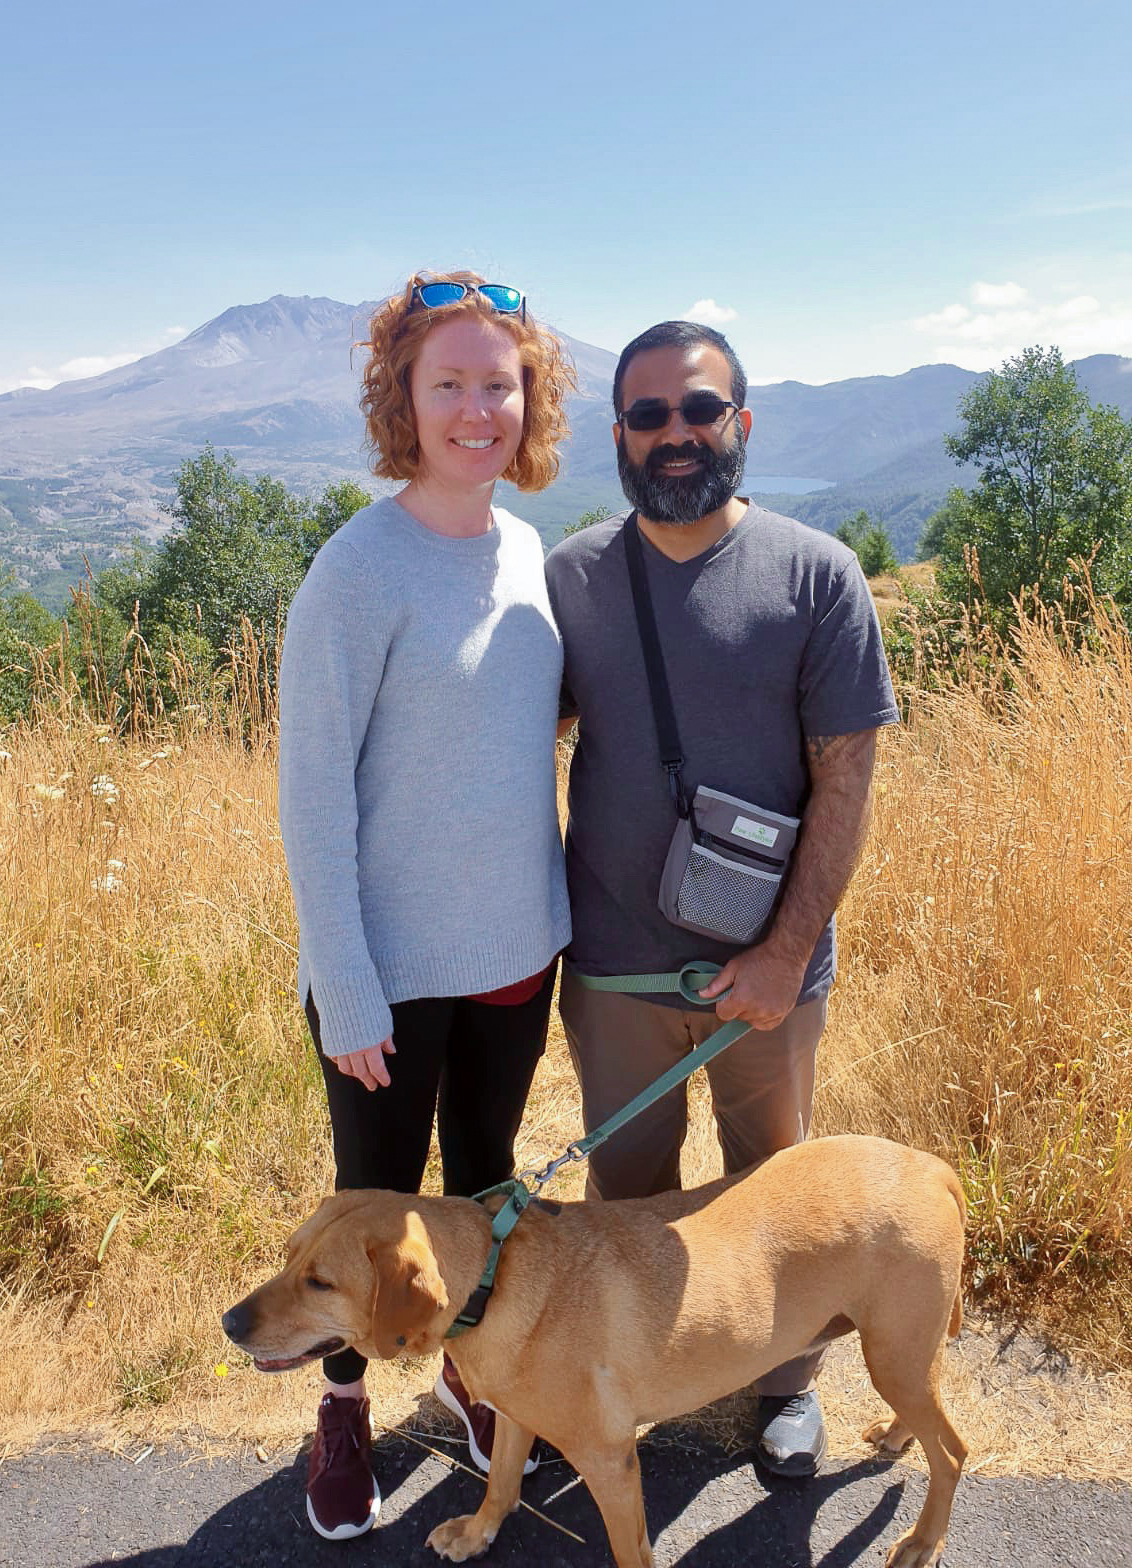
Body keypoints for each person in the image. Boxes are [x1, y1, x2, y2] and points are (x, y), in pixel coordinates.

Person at [544, 319, 899, 1479]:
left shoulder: (816, 574)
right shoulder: (573, 579)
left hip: (771, 970)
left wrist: (790, 949)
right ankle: (634, 1378)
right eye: (649, 415)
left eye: (700, 409)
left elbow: (847, 774)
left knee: (776, 1188)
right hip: (612, 966)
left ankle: (784, 1383)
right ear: (619, 436)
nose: (676, 433)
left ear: (741, 421)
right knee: (625, 1197)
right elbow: (513, 752)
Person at [277, 272, 574, 1539]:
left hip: (518, 953)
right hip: (385, 978)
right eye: (446, 382)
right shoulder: (356, 571)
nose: (476, 407)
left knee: (485, 1195)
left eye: (497, 383)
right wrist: (342, 979)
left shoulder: (528, 550)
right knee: (371, 1214)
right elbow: (311, 796)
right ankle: (343, 1406)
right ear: (403, 397)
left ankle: (468, 1369)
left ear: (529, 400)